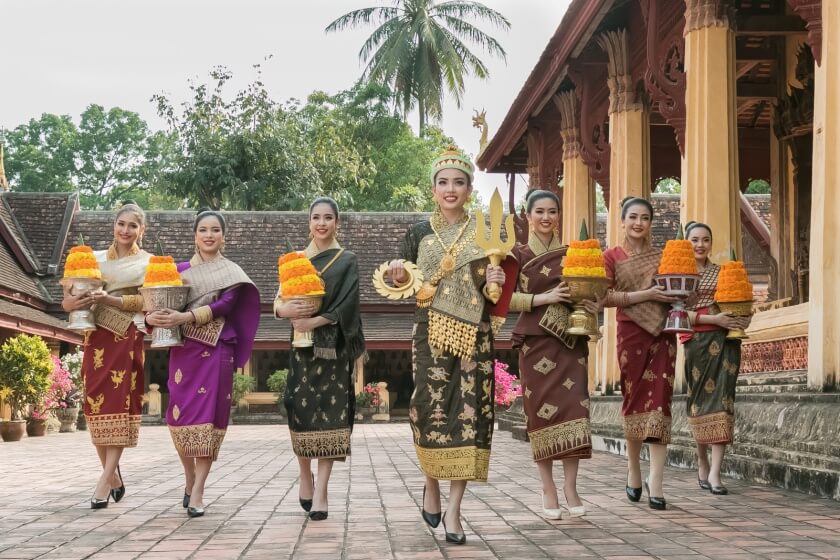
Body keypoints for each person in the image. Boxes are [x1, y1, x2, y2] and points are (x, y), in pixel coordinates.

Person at [388, 149, 511, 545]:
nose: (451, 189)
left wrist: (496, 278)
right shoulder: (417, 233)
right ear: (433, 188)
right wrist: (394, 274)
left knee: (470, 414)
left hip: (474, 336)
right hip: (429, 334)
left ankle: (456, 511)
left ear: (470, 188)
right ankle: (432, 482)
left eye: (459, 182)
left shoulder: (486, 233)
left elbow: (499, 295)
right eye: (443, 182)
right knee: (430, 409)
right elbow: (403, 284)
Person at [146, 209, 260, 518]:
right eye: (203, 230)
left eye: (215, 230)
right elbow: (154, 305)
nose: (209, 235)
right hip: (183, 350)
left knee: (210, 419)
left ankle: (198, 491)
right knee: (178, 417)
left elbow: (225, 305)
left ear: (224, 235)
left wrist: (185, 316)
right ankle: (189, 479)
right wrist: (151, 316)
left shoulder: (232, 273)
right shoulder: (177, 271)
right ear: (195, 234)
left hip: (217, 348)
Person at [274, 196, 365, 522]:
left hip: (333, 350)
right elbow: (279, 299)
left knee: (331, 415)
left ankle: (323, 491)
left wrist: (314, 321)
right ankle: (305, 474)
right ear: (309, 222)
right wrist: (284, 311)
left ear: (337, 222)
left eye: (328, 217)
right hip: (300, 347)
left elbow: (348, 305)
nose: (322, 223)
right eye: (316, 217)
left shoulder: (347, 260)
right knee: (298, 409)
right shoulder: (295, 259)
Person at [509, 190, 597, 520]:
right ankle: (548, 487)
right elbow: (503, 301)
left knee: (575, 409)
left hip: (570, 343)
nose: (546, 217)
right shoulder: (515, 255)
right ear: (528, 215)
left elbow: (592, 289)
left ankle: (571, 486)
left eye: (552, 211)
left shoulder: (574, 253)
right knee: (541, 415)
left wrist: (592, 302)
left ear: (559, 215)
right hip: (536, 343)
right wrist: (543, 298)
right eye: (540, 211)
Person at [62, 203, 151, 509]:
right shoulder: (92, 259)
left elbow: (147, 304)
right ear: (114, 224)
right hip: (94, 336)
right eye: (121, 224)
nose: (125, 230)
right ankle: (113, 476)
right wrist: (77, 299)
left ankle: (104, 480)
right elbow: (66, 304)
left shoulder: (148, 263)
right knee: (95, 408)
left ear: (142, 230)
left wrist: (109, 297)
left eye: (132, 226)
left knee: (119, 407)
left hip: (126, 336)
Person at [601, 197, 679, 510]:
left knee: (660, 402)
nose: (638, 223)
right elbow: (604, 296)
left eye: (644, 217)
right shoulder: (611, 257)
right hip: (630, 334)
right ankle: (634, 468)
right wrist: (645, 294)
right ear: (622, 221)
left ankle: (657, 480)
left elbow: (681, 288)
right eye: (632, 216)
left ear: (650, 222)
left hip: (663, 335)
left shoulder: (664, 256)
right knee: (633, 402)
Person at [682, 222, 750, 495]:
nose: (700, 245)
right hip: (697, 344)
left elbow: (739, 302)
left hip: (726, 343)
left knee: (723, 400)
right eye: (695, 240)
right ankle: (701, 459)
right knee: (699, 402)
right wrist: (713, 318)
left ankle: (716, 472)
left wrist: (742, 317)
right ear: (687, 243)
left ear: (711, 243)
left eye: (705, 240)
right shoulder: (679, 277)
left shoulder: (723, 273)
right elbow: (675, 314)